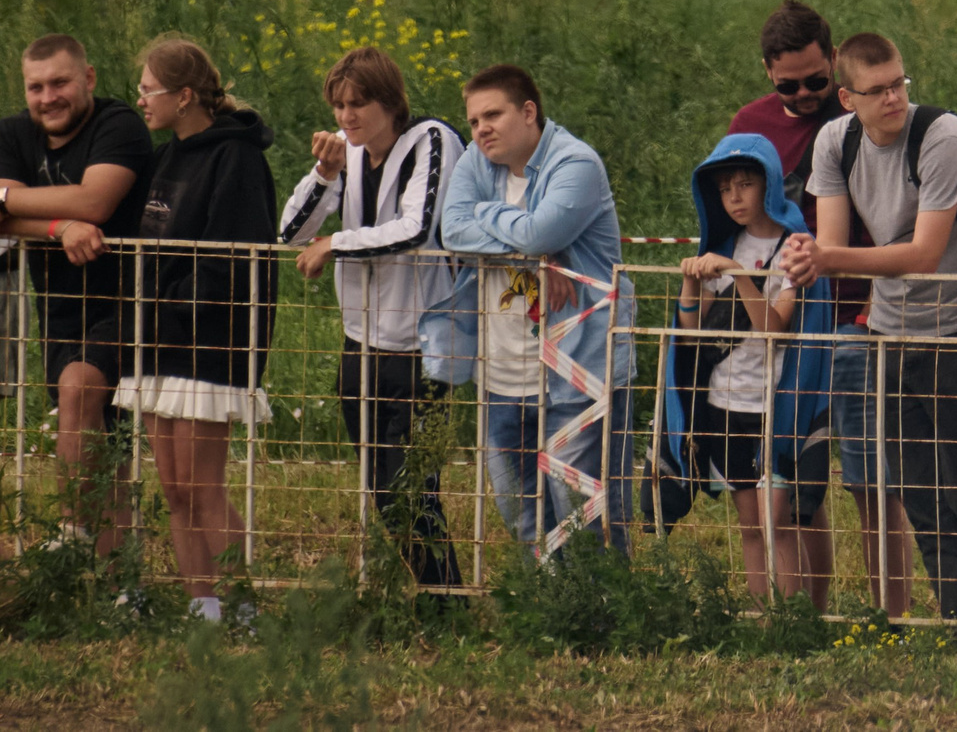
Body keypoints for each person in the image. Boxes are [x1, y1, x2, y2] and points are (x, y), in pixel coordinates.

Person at [783, 32, 957, 618]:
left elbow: (924, 252)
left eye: (899, 84)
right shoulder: (834, 140)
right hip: (889, 328)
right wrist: (809, 258)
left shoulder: (941, 136)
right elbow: (828, 242)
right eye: (877, 91)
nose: (894, 99)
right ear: (848, 98)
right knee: (918, 491)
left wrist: (823, 259)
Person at [725, 0, 910, 615]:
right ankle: (809, 617)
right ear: (765, 73)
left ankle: (893, 618)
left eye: (817, 81)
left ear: (835, 63)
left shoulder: (869, 113)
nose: (806, 94)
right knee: (797, 486)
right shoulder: (748, 127)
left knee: (872, 480)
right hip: (782, 326)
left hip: (861, 317)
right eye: (788, 85)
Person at [429, 64, 637, 557]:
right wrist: (534, 249)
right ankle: (554, 618)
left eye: (493, 115)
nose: (481, 129)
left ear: (528, 112)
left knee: (586, 513)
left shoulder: (575, 163)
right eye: (475, 120)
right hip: (503, 371)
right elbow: (451, 231)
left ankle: (606, 626)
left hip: (578, 367)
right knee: (522, 512)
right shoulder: (478, 162)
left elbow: (538, 232)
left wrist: (502, 222)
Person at [278, 47, 463, 587]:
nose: (346, 117)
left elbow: (414, 228)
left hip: (422, 348)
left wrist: (336, 242)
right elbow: (291, 233)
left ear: (390, 100)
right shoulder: (347, 154)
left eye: (358, 104)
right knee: (383, 490)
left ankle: (445, 599)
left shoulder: (431, 140)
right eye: (338, 105)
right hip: (359, 343)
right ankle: (437, 596)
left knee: (408, 487)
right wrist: (323, 173)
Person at [113, 37, 279, 623]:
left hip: (210, 344)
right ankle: (200, 605)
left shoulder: (236, 158)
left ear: (184, 96)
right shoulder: (167, 158)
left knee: (202, 482)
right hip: (158, 340)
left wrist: (174, 306)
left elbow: (231, 260)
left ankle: (241, 604)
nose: (141, 100)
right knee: (173, 487)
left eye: (148, 90)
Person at [655, 134, 833, 604]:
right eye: (725, 188)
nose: (735, 197)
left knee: (780, 520)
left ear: (769, 184)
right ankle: (761, 619)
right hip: (724, 402)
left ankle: (795, 620)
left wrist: (737, 273)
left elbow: (773, 329)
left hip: (773, 404)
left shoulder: (795, 248)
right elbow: (693, 333)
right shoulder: (723, 242)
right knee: (751, 525)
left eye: (745, 184)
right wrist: (691, 285)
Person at [0, 34, 153, 551]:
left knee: (81, 393)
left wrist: (7, 199)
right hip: (60, 308)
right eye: (35, 87)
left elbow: (96, 201)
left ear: (88, 78)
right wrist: (59, 226)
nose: (47, 97)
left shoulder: (118, 123)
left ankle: (74, 536)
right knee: (96, 428)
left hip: (133, 300)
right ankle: (108, 572)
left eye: (59, 82)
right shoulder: (13, 133)